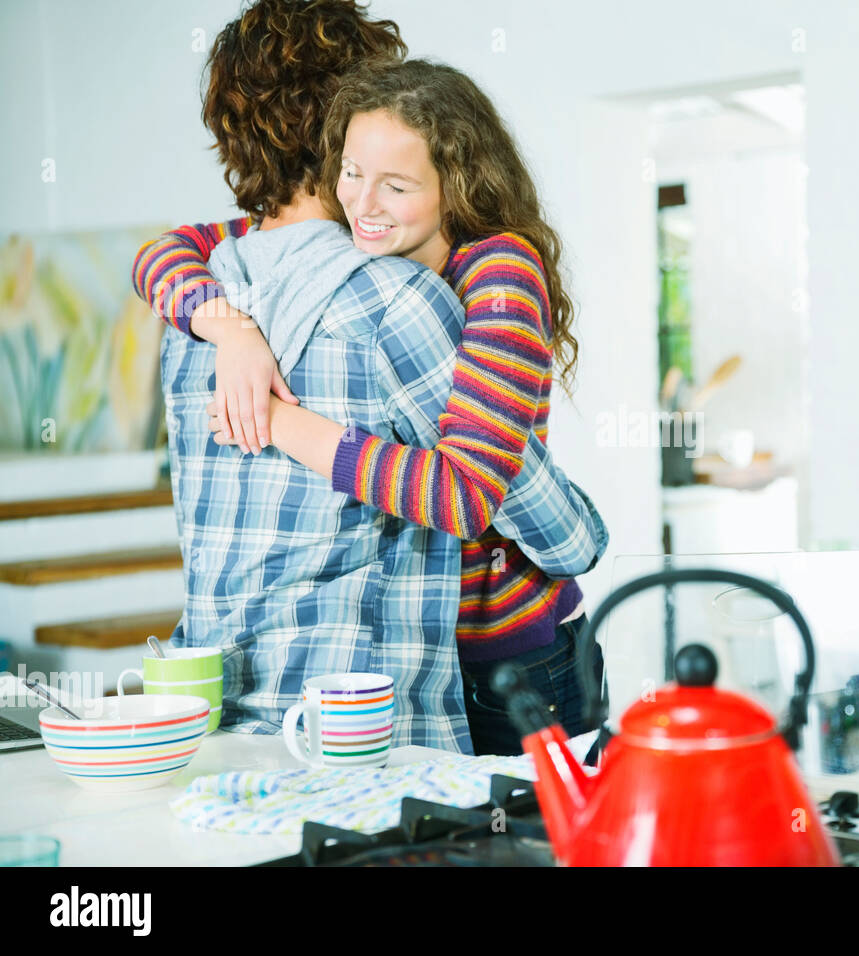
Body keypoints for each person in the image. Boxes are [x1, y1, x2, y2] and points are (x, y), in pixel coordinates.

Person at [136, 0, 606, 752]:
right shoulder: (376, 296)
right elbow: (561, 534)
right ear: (341, 125)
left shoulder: (203, 299)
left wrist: (270, 402)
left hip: (258, 697)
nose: (369, 196)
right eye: (357, 166)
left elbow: (473, 490)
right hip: (400, 692)